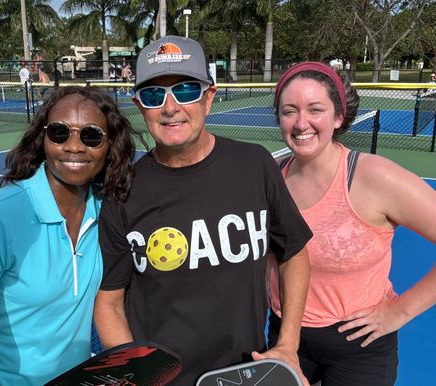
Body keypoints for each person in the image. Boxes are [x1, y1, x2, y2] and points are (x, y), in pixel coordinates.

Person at [94, 35, 312, 386]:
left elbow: (294, 253)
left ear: (209, 98)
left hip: (246, 373)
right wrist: (138, 376)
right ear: (139, 105)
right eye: (153, 95)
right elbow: (109, 303)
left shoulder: (255, 165)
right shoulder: (124, 190)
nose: (170, 107)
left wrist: (288, 344)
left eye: (185, 91)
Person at [270, 61, 436, 386]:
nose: (301, 122)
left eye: (315, 109)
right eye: (289, 111)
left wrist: (399, 312)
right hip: (283, 336)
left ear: (338, 116)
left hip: (357, 346)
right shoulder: (269, 176)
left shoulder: (374, 177)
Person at [0, 86, 140, 385]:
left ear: (110, 145)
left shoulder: (107, 213)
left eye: (91, 135)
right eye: (59, 132)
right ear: (43, 139)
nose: (74, 146)